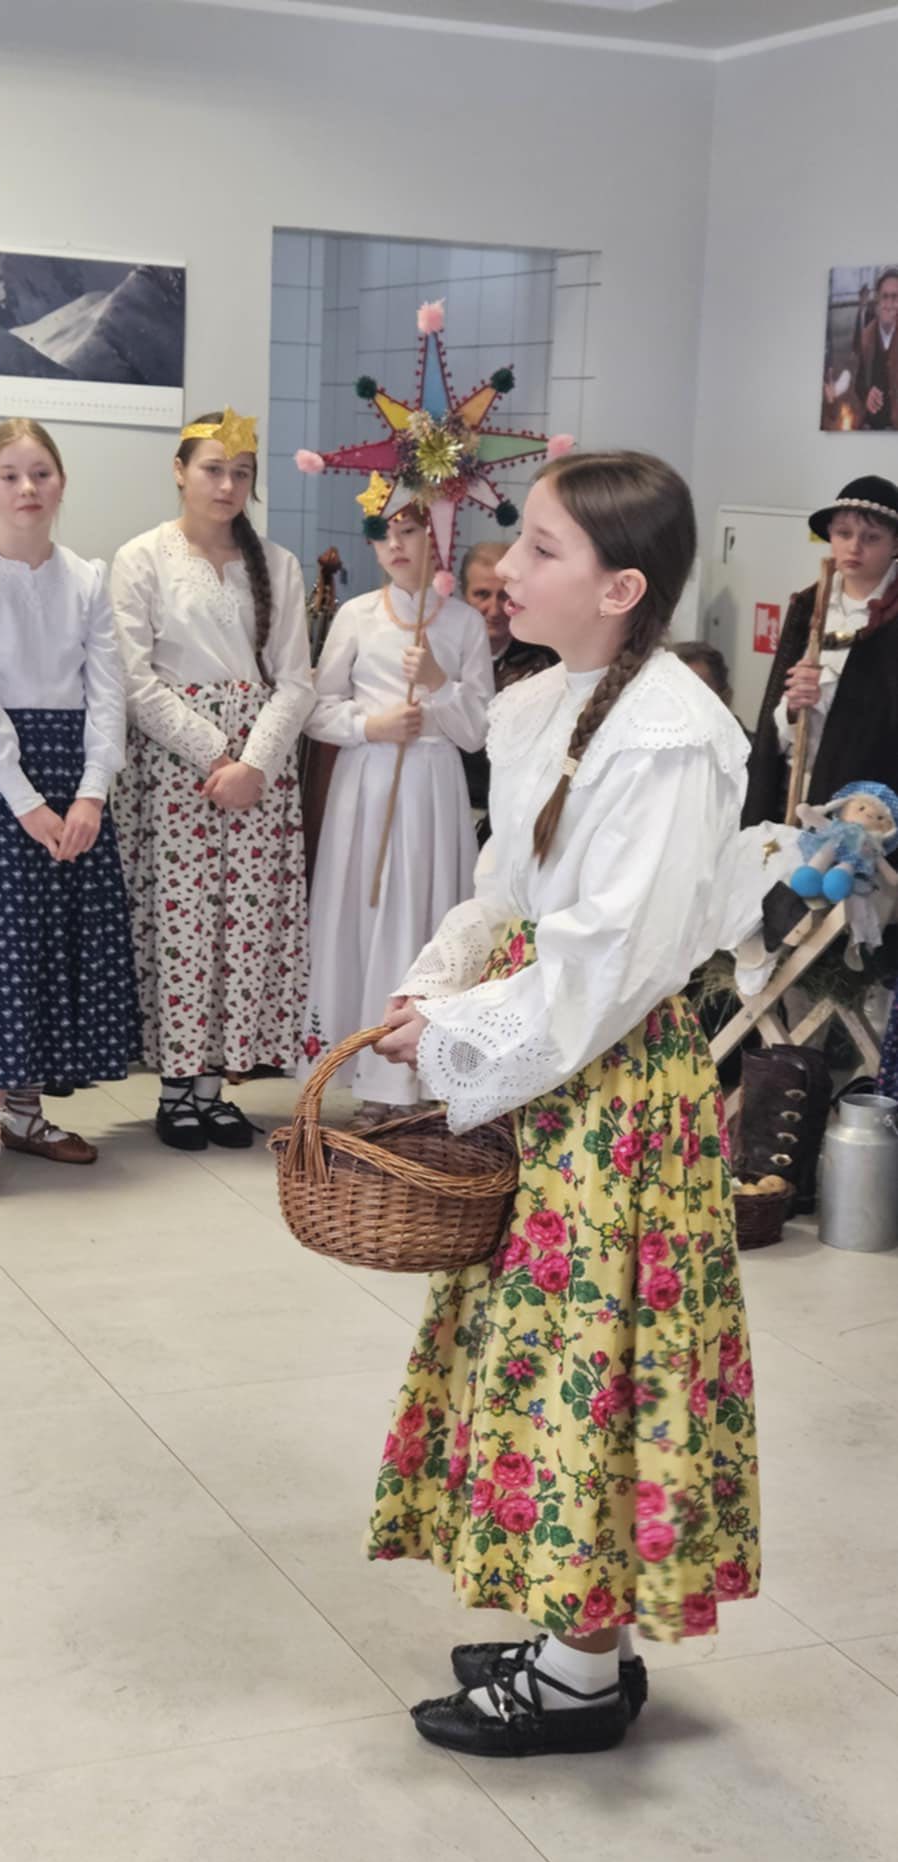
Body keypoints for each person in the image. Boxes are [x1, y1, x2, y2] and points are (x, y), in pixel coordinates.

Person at [366, 450, 758, 1759]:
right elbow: (511, 890)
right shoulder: (552, 699)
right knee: (540, 1355)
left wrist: (462, 1031)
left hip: (608, 1088)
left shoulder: (669, 738)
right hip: (552, 1072)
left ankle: (579, 1679)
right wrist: (439, 977)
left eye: (540, 548)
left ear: (619, 588)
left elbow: (611, 963)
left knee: (591, 1361)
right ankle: (580, 1640)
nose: (505, 568)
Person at [111, 409, 313, 1151]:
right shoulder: (141, 558)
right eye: (213, 469)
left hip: (260, 775)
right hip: (175, 773)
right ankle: (174, 1086)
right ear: (180, 471)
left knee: (245, 928)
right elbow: (135, 681)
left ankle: (214, 1087)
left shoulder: (279, 566)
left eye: (241, 473)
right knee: (183, 926)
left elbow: (296, 680)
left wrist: (254, 763)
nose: (227, 485)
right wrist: (214, 757)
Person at [0, 418, 138, 1213]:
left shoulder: (88, 578)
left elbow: (107, 689)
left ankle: (25, 1112)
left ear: (62, 482)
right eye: (10, 475)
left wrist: (92, 791)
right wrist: (26, 800)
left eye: (41, 473)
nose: (28, 488)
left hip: (73, 774)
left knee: (53, 939)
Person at [300, 505, 493, 1112]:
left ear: (436, 537)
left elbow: (478, 730)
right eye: (383, 534)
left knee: (422, 915)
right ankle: (360, 1069)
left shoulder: (464, 624)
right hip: (367, 781)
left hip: (432, 787)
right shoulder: (357, 616)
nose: (396, 545)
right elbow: (316, 708)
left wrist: (437, 683)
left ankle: (417, 1077)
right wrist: (371, 725)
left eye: (409, 531)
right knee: (362, 910)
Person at [743, 476, 898, 829]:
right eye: (843, 533)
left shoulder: (890, 619)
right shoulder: (808, 606)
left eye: (871, 538)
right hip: (794, 786)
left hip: (865, 800)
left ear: (895, 543)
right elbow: (775, 717)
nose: (854, 547)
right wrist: (793, 708)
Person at [458, 539, 555, 830]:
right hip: (450, 801)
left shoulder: (547, 660)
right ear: (462, 595)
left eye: (504, 596)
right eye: (481, 594)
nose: (494, 609)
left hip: (515, 813)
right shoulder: (441, 658)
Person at [826, 270, 898, 429]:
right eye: (885, 296)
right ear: (878, 299)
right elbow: (856, 377)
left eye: (895, 297)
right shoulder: (867, 336)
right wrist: (842, 389)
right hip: (872, 424)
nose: (889, 304)